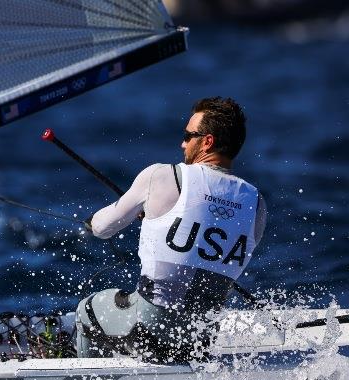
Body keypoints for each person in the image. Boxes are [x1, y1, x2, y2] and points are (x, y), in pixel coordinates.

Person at [75, 97, 267, 363]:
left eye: (188, 136)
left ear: (207, 141)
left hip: (149, 330)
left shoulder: (162, 176)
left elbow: (103, 228)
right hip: (200, 338)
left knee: (87, 309)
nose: (183, 143)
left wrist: (90, 222)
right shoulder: (256, 203)